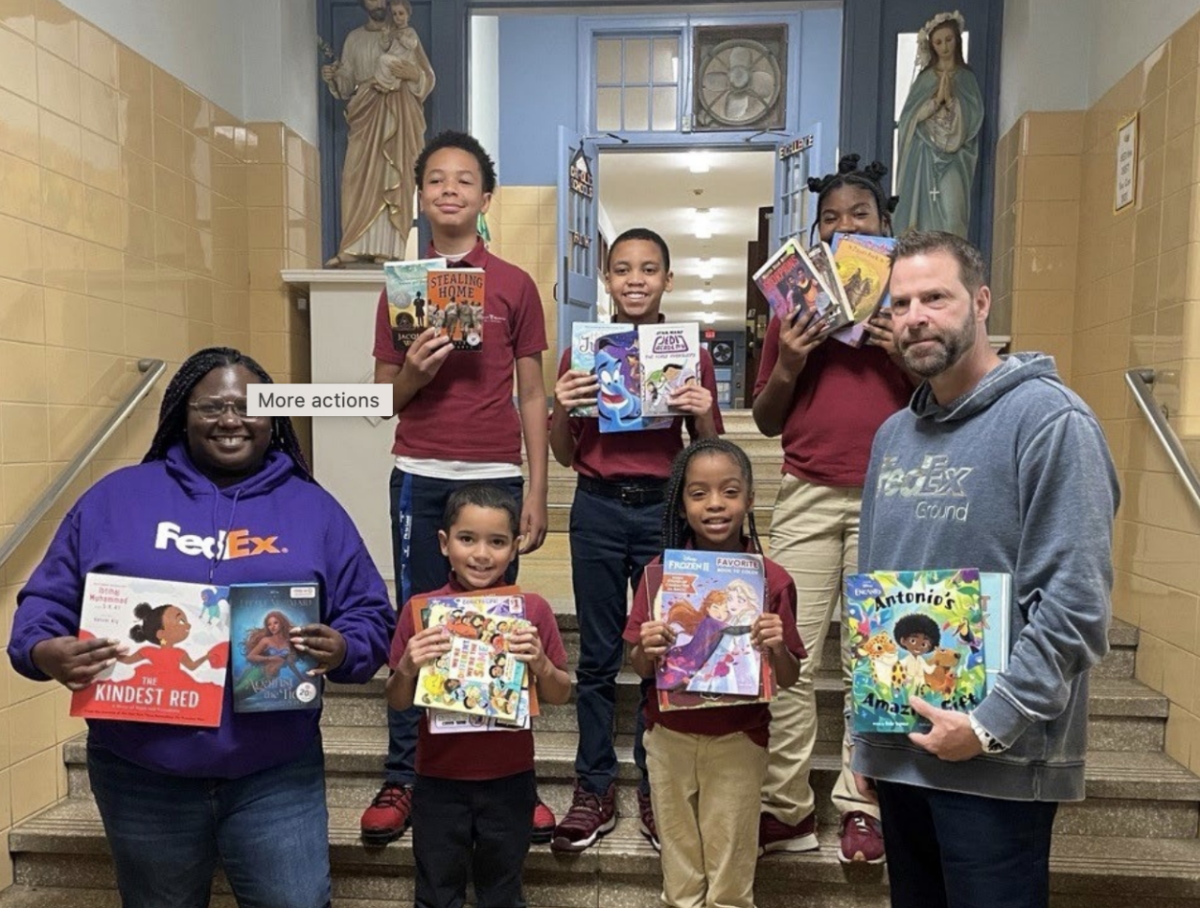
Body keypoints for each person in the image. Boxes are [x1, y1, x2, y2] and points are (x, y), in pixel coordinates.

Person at [7, 347, 394, 908]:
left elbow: (368, 613)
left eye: (250, 407)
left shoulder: (314, 509)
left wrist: (345, 647)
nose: (231, 419)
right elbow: (46, 598)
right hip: (141, 770)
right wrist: (45, 651)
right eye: (212, 407)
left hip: (274, 772)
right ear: (180, 414)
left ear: (274, 419)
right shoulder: (116, 499)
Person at [853, 230, 1119, 908]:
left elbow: (1076, 605)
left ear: (981, 301)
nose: (915, 316)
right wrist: (868, 740)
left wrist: (988, 722)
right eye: (901, 301)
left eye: (935, 298)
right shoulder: (893, 436)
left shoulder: (1050, 421)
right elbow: (878, 591)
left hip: (998, 759)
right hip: (906, 750)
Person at [364, 130, 552, 846]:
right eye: (436, 179)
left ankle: (511, 781)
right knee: (417, 623)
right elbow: (385, 397)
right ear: (419, 194)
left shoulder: (514, 285)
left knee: (499, 630)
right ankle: (405, 773)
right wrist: (417, 367)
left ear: (484, 196)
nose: (449, 190)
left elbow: (532, 395)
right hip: (420, 471)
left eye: (464, 179)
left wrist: (535, 488)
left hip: (496, 473)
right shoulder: (401, 289)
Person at [752, 154, 914, 863]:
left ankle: (863, 804)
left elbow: (954, 402)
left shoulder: (912, 304)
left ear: (887, 229)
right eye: (831, 220)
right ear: (815, 238)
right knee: (784, 649)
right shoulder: (793, 305)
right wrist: (791, 359)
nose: (846, 227)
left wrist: (903, 352)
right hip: (807, 490)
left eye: (861, 218)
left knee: (878, 658)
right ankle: (785, 806)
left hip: (894, 492)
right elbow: (763, 419)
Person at [549, 228, 723, 853]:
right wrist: (560, 408)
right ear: (606, 279)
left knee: (664, 652)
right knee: (596, 659)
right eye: (622, 269)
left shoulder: (689, 352)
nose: (635, 279)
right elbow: (565, 455)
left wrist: (701, 406)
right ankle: (594, 786)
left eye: (650, 269)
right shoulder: (583, 352)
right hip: (596, 508)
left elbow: (709, 452)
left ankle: (656, 785)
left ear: (667, 281)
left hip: (662, 511)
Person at [625, 439, 804, 908]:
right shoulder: (662, 576)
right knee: (679, 867)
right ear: (681, 506)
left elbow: (787, 675)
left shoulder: (773, 579)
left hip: (739, 739)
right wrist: (648, 646)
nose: (715, 504)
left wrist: (776, 645)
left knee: (731, 870)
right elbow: (639, 664)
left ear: (748, 499)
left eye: (728, 491)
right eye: (698, 493)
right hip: (668, 736)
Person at [387, 484, 570, 908]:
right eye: (467, 539)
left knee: (502, 890)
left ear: (515, 548)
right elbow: (397, 701)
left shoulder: (532, 611)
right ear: (444, 543)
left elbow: (560, 694)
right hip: (437, 780)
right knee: (435, 890)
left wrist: (541, 664)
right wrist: (408, 667)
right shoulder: (421, 610)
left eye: (498, 542)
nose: (482, 554)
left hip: (510, 780)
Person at [321, 0, 435, 265]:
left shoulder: (405, 34)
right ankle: (352, 244)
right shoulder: (355, 39)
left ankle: (390, 248)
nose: (377, 3)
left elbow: (427, 77)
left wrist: (413, 74)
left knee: (394, 173)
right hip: (366, 113)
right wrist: (334, 77)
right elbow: (347, 83)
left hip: (399, 114)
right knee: (357, 175)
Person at [893, 11, 984, 238]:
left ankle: (953, 263)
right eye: (938, 42)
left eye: (949, 40)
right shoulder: (925, 79)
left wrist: (952, 102)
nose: (944, 47)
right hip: (924, 157)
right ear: (932, 45)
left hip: (954, 160)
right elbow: (908, 120)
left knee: (953, 214)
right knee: (922, 221)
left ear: (957, 40)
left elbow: (973, 117)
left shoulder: (966, 78)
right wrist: (935, 102)